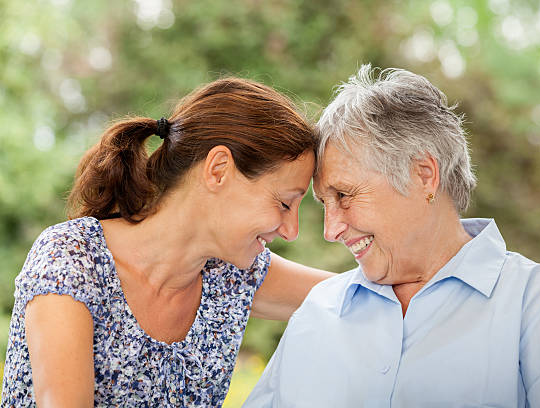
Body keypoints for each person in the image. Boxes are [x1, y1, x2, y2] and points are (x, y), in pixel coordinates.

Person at [244, 65, 540, 407]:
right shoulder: (318, 309)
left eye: (343, 195)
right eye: (324, 203)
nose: (330, 230)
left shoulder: (537, 303)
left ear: (423, 175)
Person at [0, 77, 333, 407]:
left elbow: (359, 295)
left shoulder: (231, 274)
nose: (292, 231)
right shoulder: (72, 259)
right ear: (218, 170)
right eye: (284, 203)